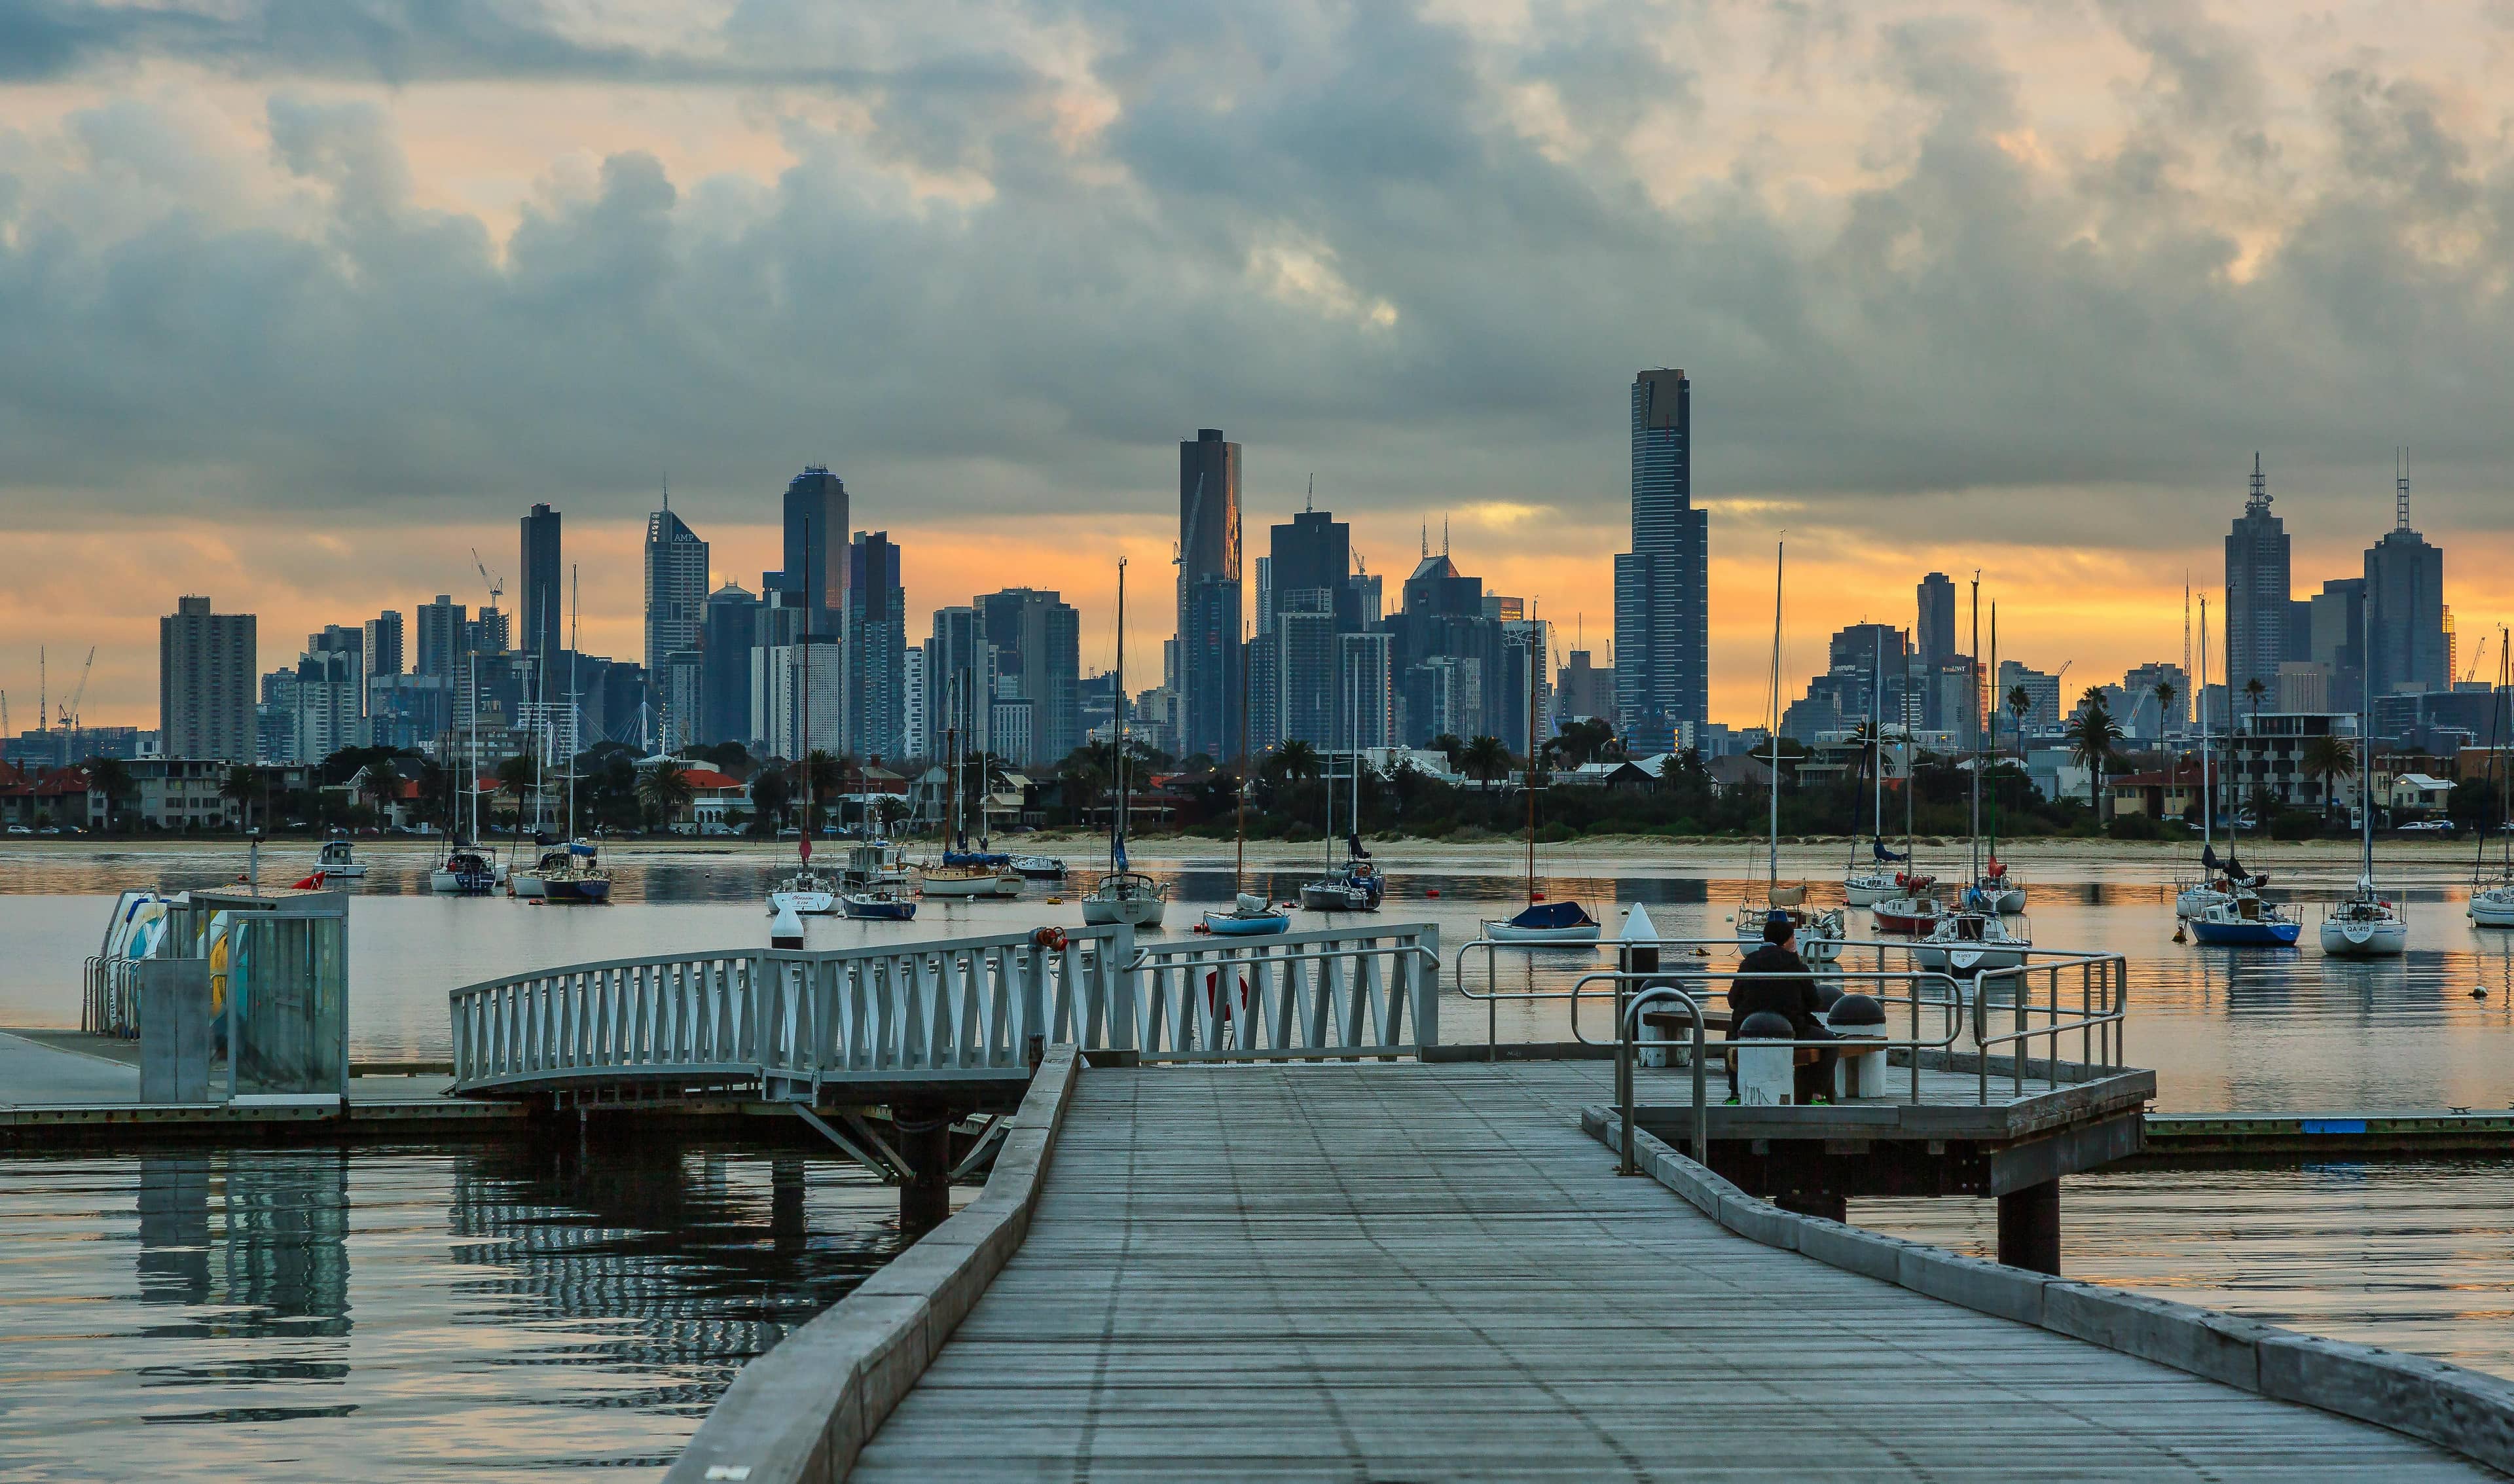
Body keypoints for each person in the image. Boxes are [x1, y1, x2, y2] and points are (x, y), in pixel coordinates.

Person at [1728, 911, 1836, 1104]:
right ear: (1786, 941)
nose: (1795, 941)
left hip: (1747, 1027)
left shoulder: (1748, 963)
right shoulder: (1795, 966)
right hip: (1792, 1028)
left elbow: (1732, 1000)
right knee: (1832, 1043)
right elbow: (1814, 1002)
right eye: (1793, 937)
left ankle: (1735, 1094)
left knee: (1730, 1036)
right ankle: (1818, 1095)